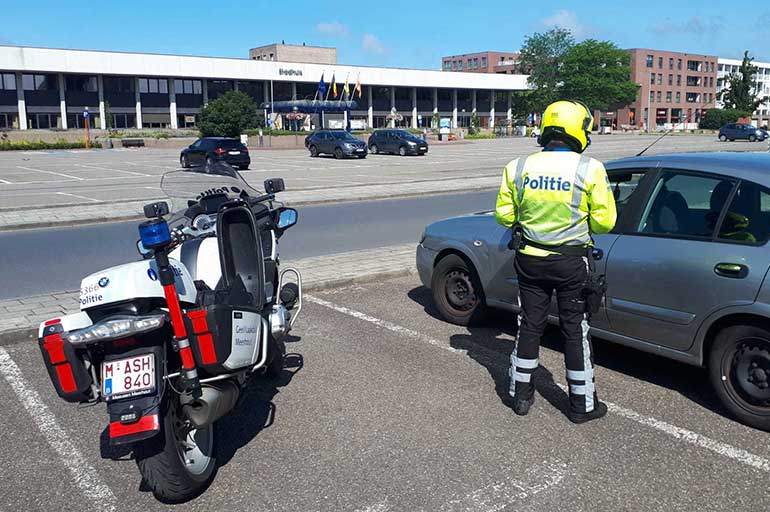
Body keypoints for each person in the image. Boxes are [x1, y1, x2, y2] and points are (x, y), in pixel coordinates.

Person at [494, 100, 617, 424]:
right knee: (575, 331)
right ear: (579, 130)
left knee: (529, 325)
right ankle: (582, 406)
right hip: (571, 264)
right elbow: (605, 223)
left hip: (529, 260)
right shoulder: (590, 168)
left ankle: (520, 397)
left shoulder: (517, 167)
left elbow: (503, 215)